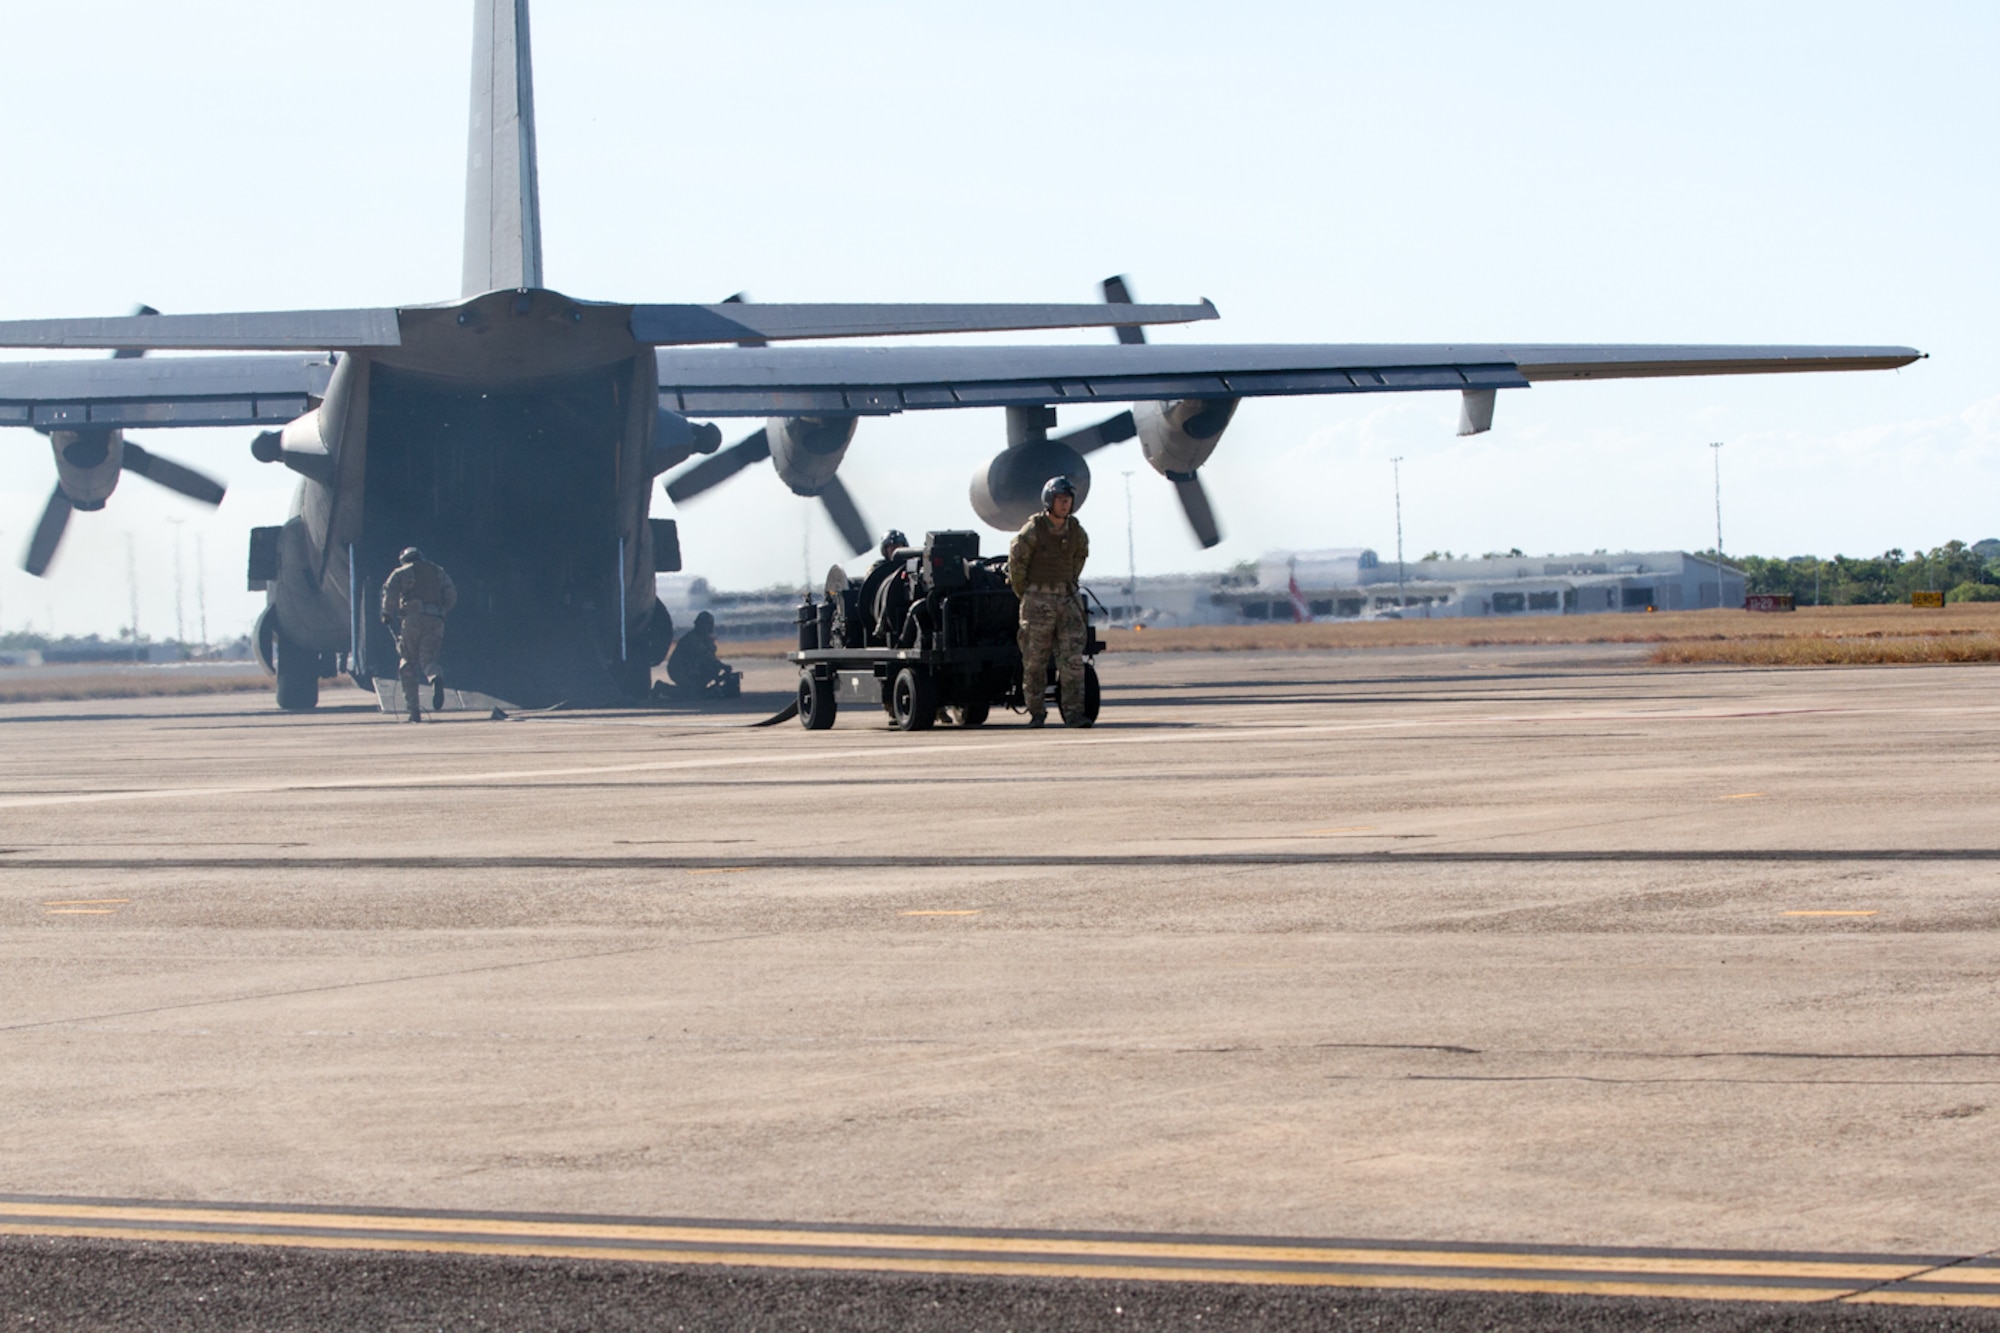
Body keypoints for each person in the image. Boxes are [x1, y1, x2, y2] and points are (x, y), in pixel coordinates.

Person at [1007, 476, 1090, 727]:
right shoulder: (1033, 530)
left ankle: (1074, 713)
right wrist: (1030, 594)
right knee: (1035, 661)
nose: (1064, 505)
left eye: (1067, 500)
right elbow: (1016, 565)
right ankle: (1036, 713)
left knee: (1072, 661)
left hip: (1066, 599)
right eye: (1060, 500)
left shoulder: (1076, 530)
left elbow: (1079, 559)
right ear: (1049, 501)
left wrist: (1065, 587)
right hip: (1037, 602)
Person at [379, 547, 457, 722]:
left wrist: (387, 613)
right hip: (436, 620)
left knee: (408, 663)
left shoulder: (401, 572)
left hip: (412, 620)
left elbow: (390, 592)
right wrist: (440, 611)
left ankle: (414, 711)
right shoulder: (438, 571)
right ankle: (435, 677)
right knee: (429, 659)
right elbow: (451, 595)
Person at [665, 610, 741, 698]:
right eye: (706, 624)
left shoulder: (705, 639)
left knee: (712, 670)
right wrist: (722, 666)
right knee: (691, 694)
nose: (708, 627)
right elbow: (705, 657)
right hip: (678, 670)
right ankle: (663, 688)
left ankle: (698, 688)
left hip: (690, 668)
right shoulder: (692, 639)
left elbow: (710, 656)